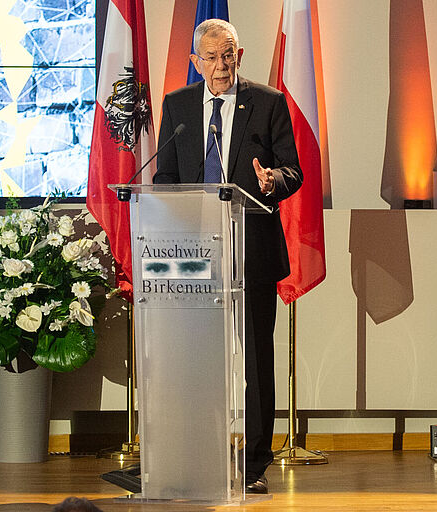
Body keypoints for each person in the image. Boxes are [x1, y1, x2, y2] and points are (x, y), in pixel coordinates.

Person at [153, 18, 303, 494]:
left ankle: (255, 463)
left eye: (228, 56)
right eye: (211, 58)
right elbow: (164, 180)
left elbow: (292, 172)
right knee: (199, 362)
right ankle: (202, 453)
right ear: (195, 62)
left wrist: (270, 182)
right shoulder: (177, 106)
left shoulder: (269, 103)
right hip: (194, 256)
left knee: (256, 362)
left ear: (240, 56)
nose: (221, 66)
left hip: (252, 252)